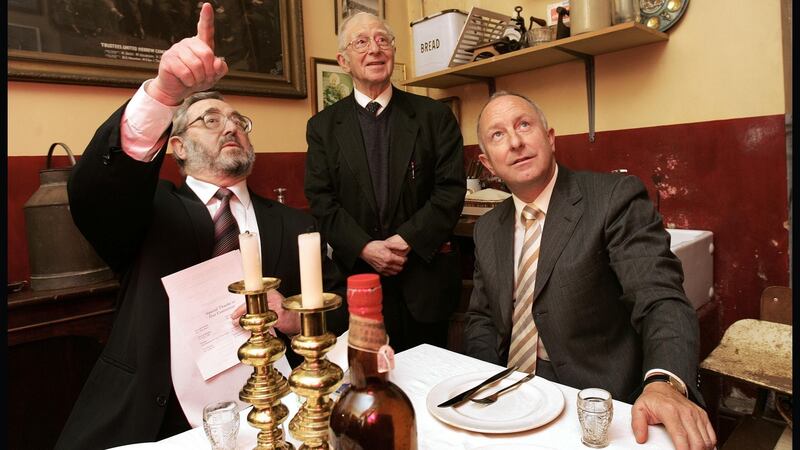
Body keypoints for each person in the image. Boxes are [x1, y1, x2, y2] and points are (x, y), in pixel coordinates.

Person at [55, 4, 344, 449]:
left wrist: (291, 317)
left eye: (238, 122)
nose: (230, 127)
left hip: (270, 411)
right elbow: (95, 190)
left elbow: (334, 308)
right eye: (210, 119)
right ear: (177, 147)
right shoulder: (147, 209)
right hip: (158, 415)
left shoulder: (294, 223)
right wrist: (164, 95)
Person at [464, 92, 716, 450]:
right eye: (498, 135)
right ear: (487, 163)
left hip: (594, 397)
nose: (516, 142)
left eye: (524, 125)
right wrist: (482, 382)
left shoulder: (613, 198)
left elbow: (660, 297)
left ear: (550, 138)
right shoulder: (487, 228)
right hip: (509, 393)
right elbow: (482, 318)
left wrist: (664, 382)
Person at [304, 12, 466, 353]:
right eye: (361, 42)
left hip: (423, 280)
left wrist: (405, 240)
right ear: (343, 61)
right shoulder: (322, 127)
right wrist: (365, 247)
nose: (374, 49)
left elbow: (449, 191)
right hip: (358, 285)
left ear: (392, 51)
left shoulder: (434, 117)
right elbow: (321, 200)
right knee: (370, 386)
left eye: (382, 40)